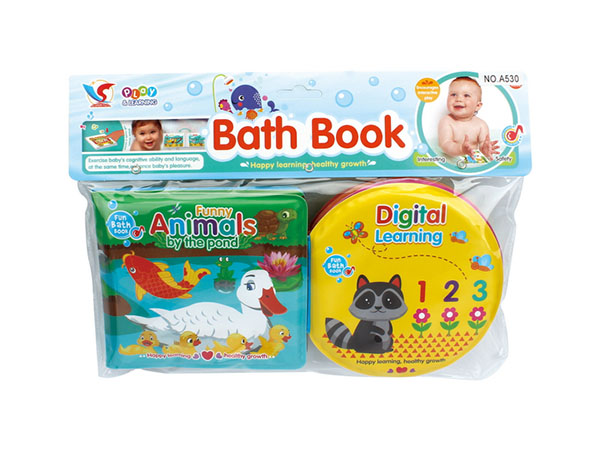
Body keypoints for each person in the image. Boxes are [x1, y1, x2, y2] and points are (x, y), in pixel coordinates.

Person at [438, 77, 499, 160]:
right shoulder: (446, 121)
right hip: (451, 159)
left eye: (466, 95)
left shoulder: (481, 125)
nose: (458, 99)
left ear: (477, 106)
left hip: (472, 160)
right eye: (453, 94)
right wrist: (460, 149)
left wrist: (485, 149)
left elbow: (483, 144)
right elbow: (445, 144)